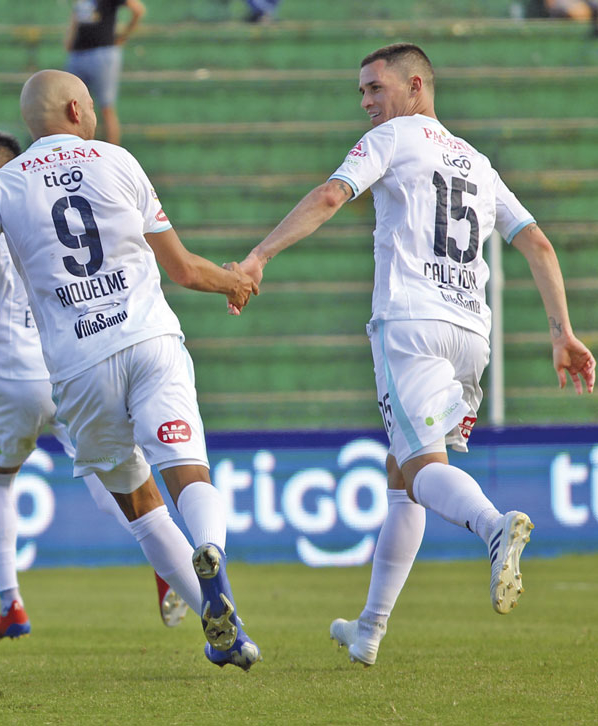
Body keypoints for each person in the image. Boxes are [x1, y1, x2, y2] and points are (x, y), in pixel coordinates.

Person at [233, 43, 596, 666]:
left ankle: (492, 526)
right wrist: (562, 332)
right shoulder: (477, 161)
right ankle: (368, 630)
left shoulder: (393, 137)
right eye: (362, 92)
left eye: (376, 88)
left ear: (416, 87)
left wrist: (259, 256)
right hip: (470, 334)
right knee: (403, 474)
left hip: (410, 325)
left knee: (422, 466)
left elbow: (331, 196)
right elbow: (536, 242)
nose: (367, 102)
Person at [0, 70, 262, 670]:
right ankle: (210, 547)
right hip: (149, 340)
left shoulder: (0, 186)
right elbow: (182, 269)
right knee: (187, 471)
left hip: (77, 365)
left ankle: (225, 629)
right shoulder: (119, 161)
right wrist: (234, 281)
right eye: (89, 103)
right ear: (75, 109)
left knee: (138, 502)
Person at [0, 129, 189, 638]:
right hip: (74, 366)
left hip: (15, 374)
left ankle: (11, 605)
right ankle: (171, 564)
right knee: (112, 479)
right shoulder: (51, 201)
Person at [65, 0, 145, 146]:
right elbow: (77, 16)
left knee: (106, 107)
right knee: (74, 107)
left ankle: (112, 151)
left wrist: (123, 36)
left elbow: (138, 10)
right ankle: (79, 151)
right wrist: (70, 38)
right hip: (79, 52)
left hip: (102, 52)